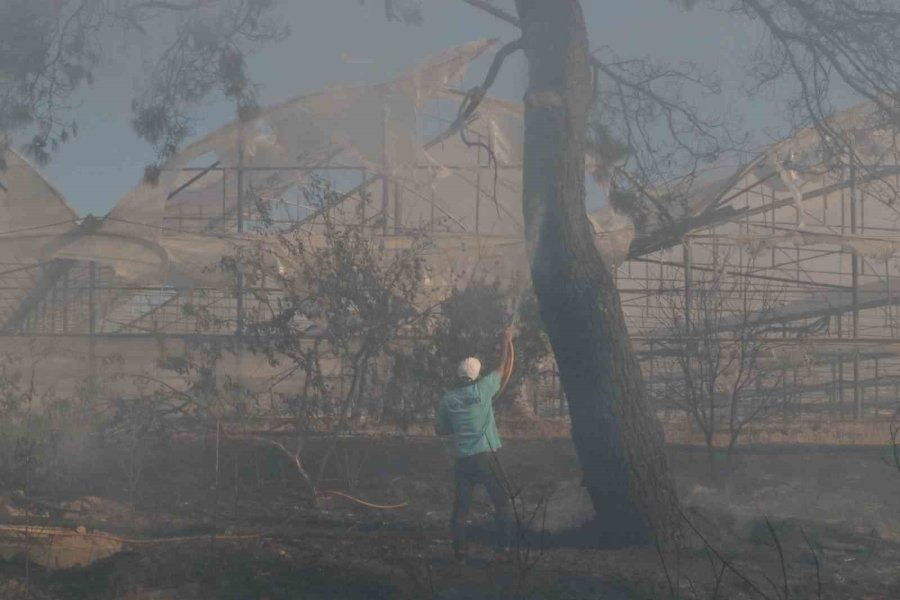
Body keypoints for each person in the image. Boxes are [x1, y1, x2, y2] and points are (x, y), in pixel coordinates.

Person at [435, 329, 514, 564]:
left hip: (463, 460)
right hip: (487, 457)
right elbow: (504, 368)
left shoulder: (448, 399)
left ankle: (459, 553)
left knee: (461, 508)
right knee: (501, 501)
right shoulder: (484, 389)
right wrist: (506, 342)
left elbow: (440, 430)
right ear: (478, 374)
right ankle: (505, 547)